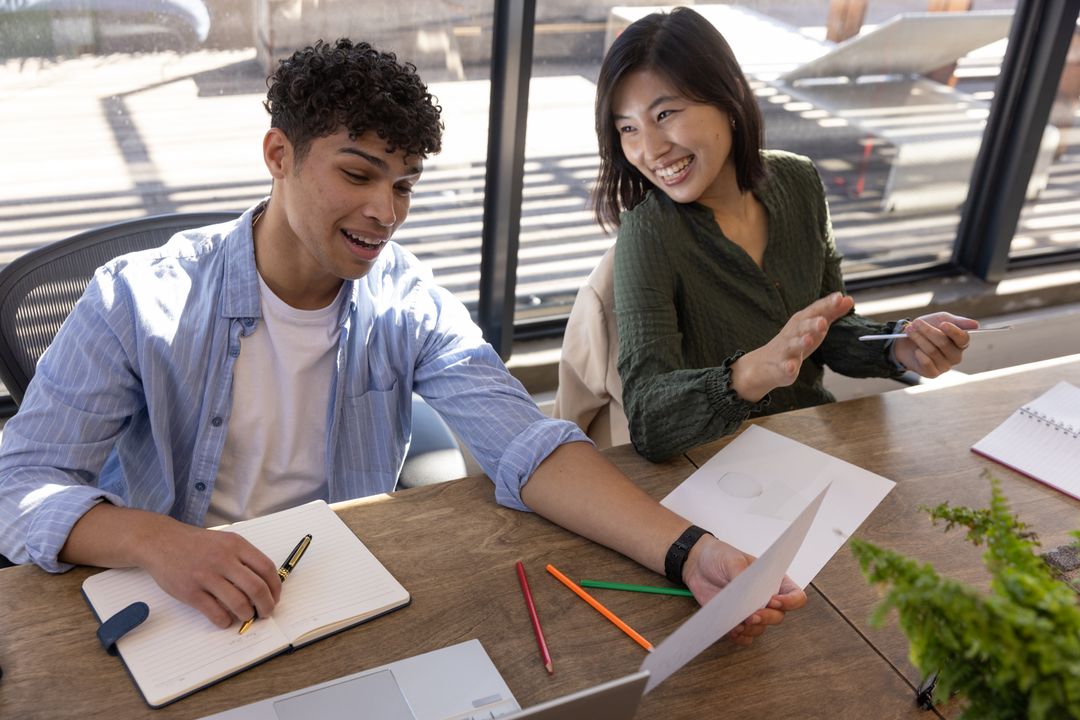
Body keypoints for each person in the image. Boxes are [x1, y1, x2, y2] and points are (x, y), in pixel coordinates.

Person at [0, 38, 803, 644]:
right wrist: (157, 542)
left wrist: (689, 552)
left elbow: (527, 445)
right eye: (358, 175)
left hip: (333, 593)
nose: (386, 213)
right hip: (176, 605)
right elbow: (20, 484)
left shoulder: (405, 299)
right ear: (279, 156)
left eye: (404, 185)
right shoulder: (137, 298)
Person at [592, 7, 978, 463]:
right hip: (722, 468)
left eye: (665, 114)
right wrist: (746, 375)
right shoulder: (649, 233)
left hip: (813, 443)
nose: (650, 150)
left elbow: (828, 331)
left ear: (729, 96)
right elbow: (649, 419)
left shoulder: (798, 180)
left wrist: (898, 346)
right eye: (628, 128)